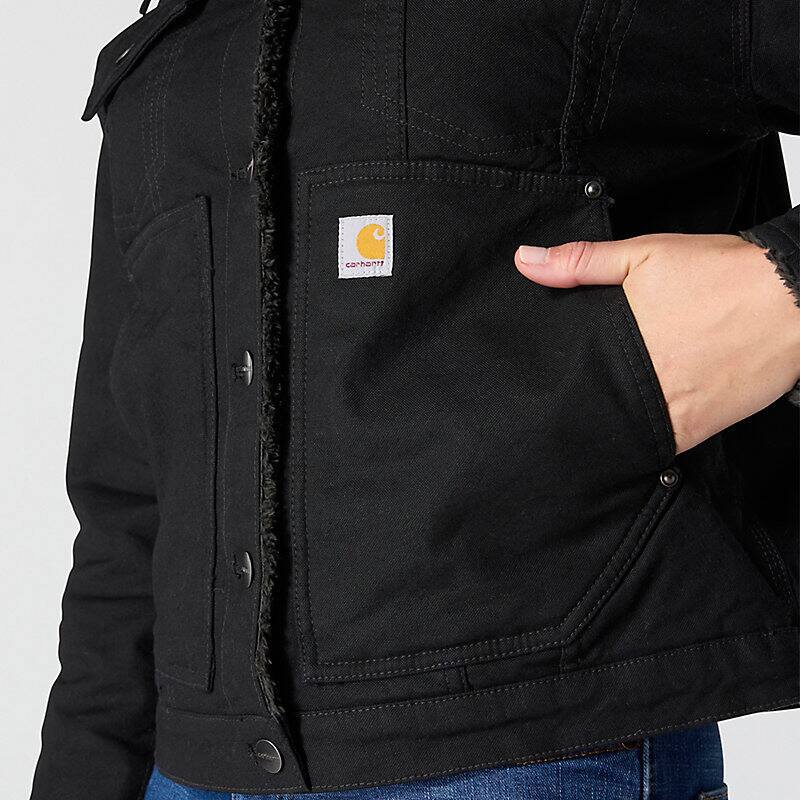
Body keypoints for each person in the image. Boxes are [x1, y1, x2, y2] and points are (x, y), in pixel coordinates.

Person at [31, 1, 798, 799]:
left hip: (535, 753)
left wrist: (780, 284)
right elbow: (132, 508)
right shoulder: (162, 62)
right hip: (183, 772)